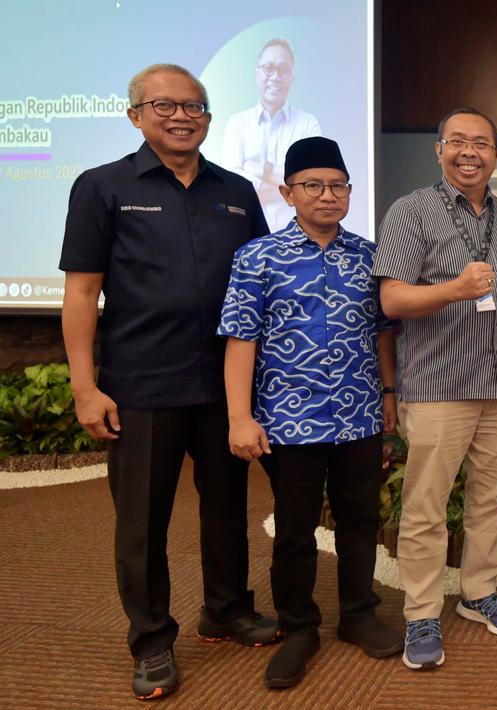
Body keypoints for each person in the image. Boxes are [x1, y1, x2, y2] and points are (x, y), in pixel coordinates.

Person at [59, 63, 278, 700]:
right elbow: (82, 292)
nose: (182, 117)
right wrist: (84, 387)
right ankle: (151, 639)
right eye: (165, 106)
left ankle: (226, 609)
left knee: (228, 507)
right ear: (136, 115)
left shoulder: (236, 191)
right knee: (142, 522)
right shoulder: (102, 186)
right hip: (141, 386)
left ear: (209, 117)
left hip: (223, 388)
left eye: (194, 107)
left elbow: (261, 283)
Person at [218, 137, 404, 689]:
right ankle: (299, 626)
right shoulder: (257, 257)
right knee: (295, 529)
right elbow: (241, 339)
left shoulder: (370, 256)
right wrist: (239, 418)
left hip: (359, 416)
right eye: (313, 186)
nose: (327, 195)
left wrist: (388, 393)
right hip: (288, 421)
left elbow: (383, 333)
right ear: (287, 193)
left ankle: (357, 614)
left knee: (360, 520)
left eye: (337, 185)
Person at [374, 107, 497, 671]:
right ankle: (421, 611)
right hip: (438, 384)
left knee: (492, 497)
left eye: (482, 143)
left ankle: (478, 591)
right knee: (426, 506)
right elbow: (392, 299)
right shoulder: (410, 210)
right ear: (439, 149)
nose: (470, 152)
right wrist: (454, 288)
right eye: (458, 141)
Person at [220, 38, 322, 230]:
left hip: (298, 236)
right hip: (246, 233)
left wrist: (261, 170)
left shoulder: (308, 124)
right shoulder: (237, 124)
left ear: (292, 77)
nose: (275, 77)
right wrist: (289, 187)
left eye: (283, 70)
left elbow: (312, 183)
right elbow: (231, 186)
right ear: (256, 73)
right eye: (268, 68)